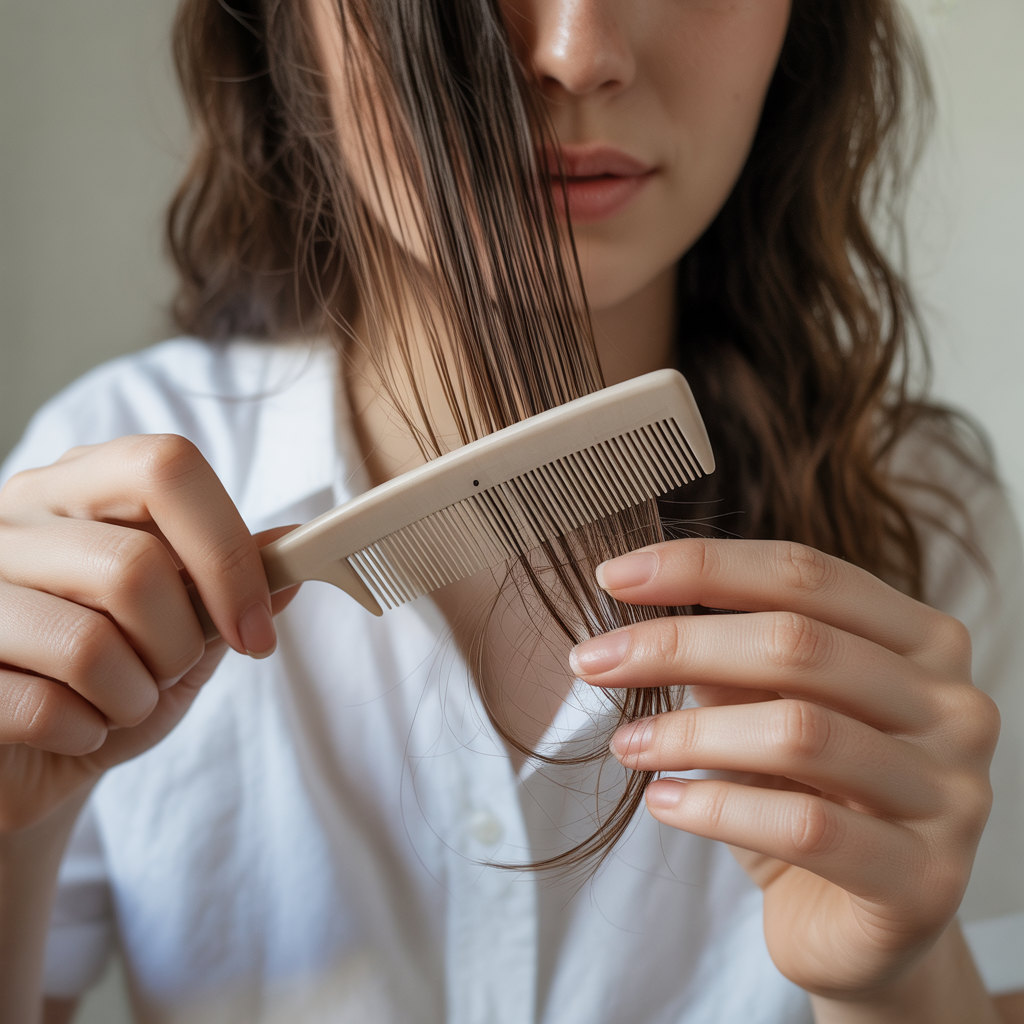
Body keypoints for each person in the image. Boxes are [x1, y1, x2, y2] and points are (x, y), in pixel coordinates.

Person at [1, 0, 1022, 1021]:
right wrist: (15, 825)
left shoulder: (925, 535)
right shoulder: (90, 516)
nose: (581, 57)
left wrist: (897, 981)